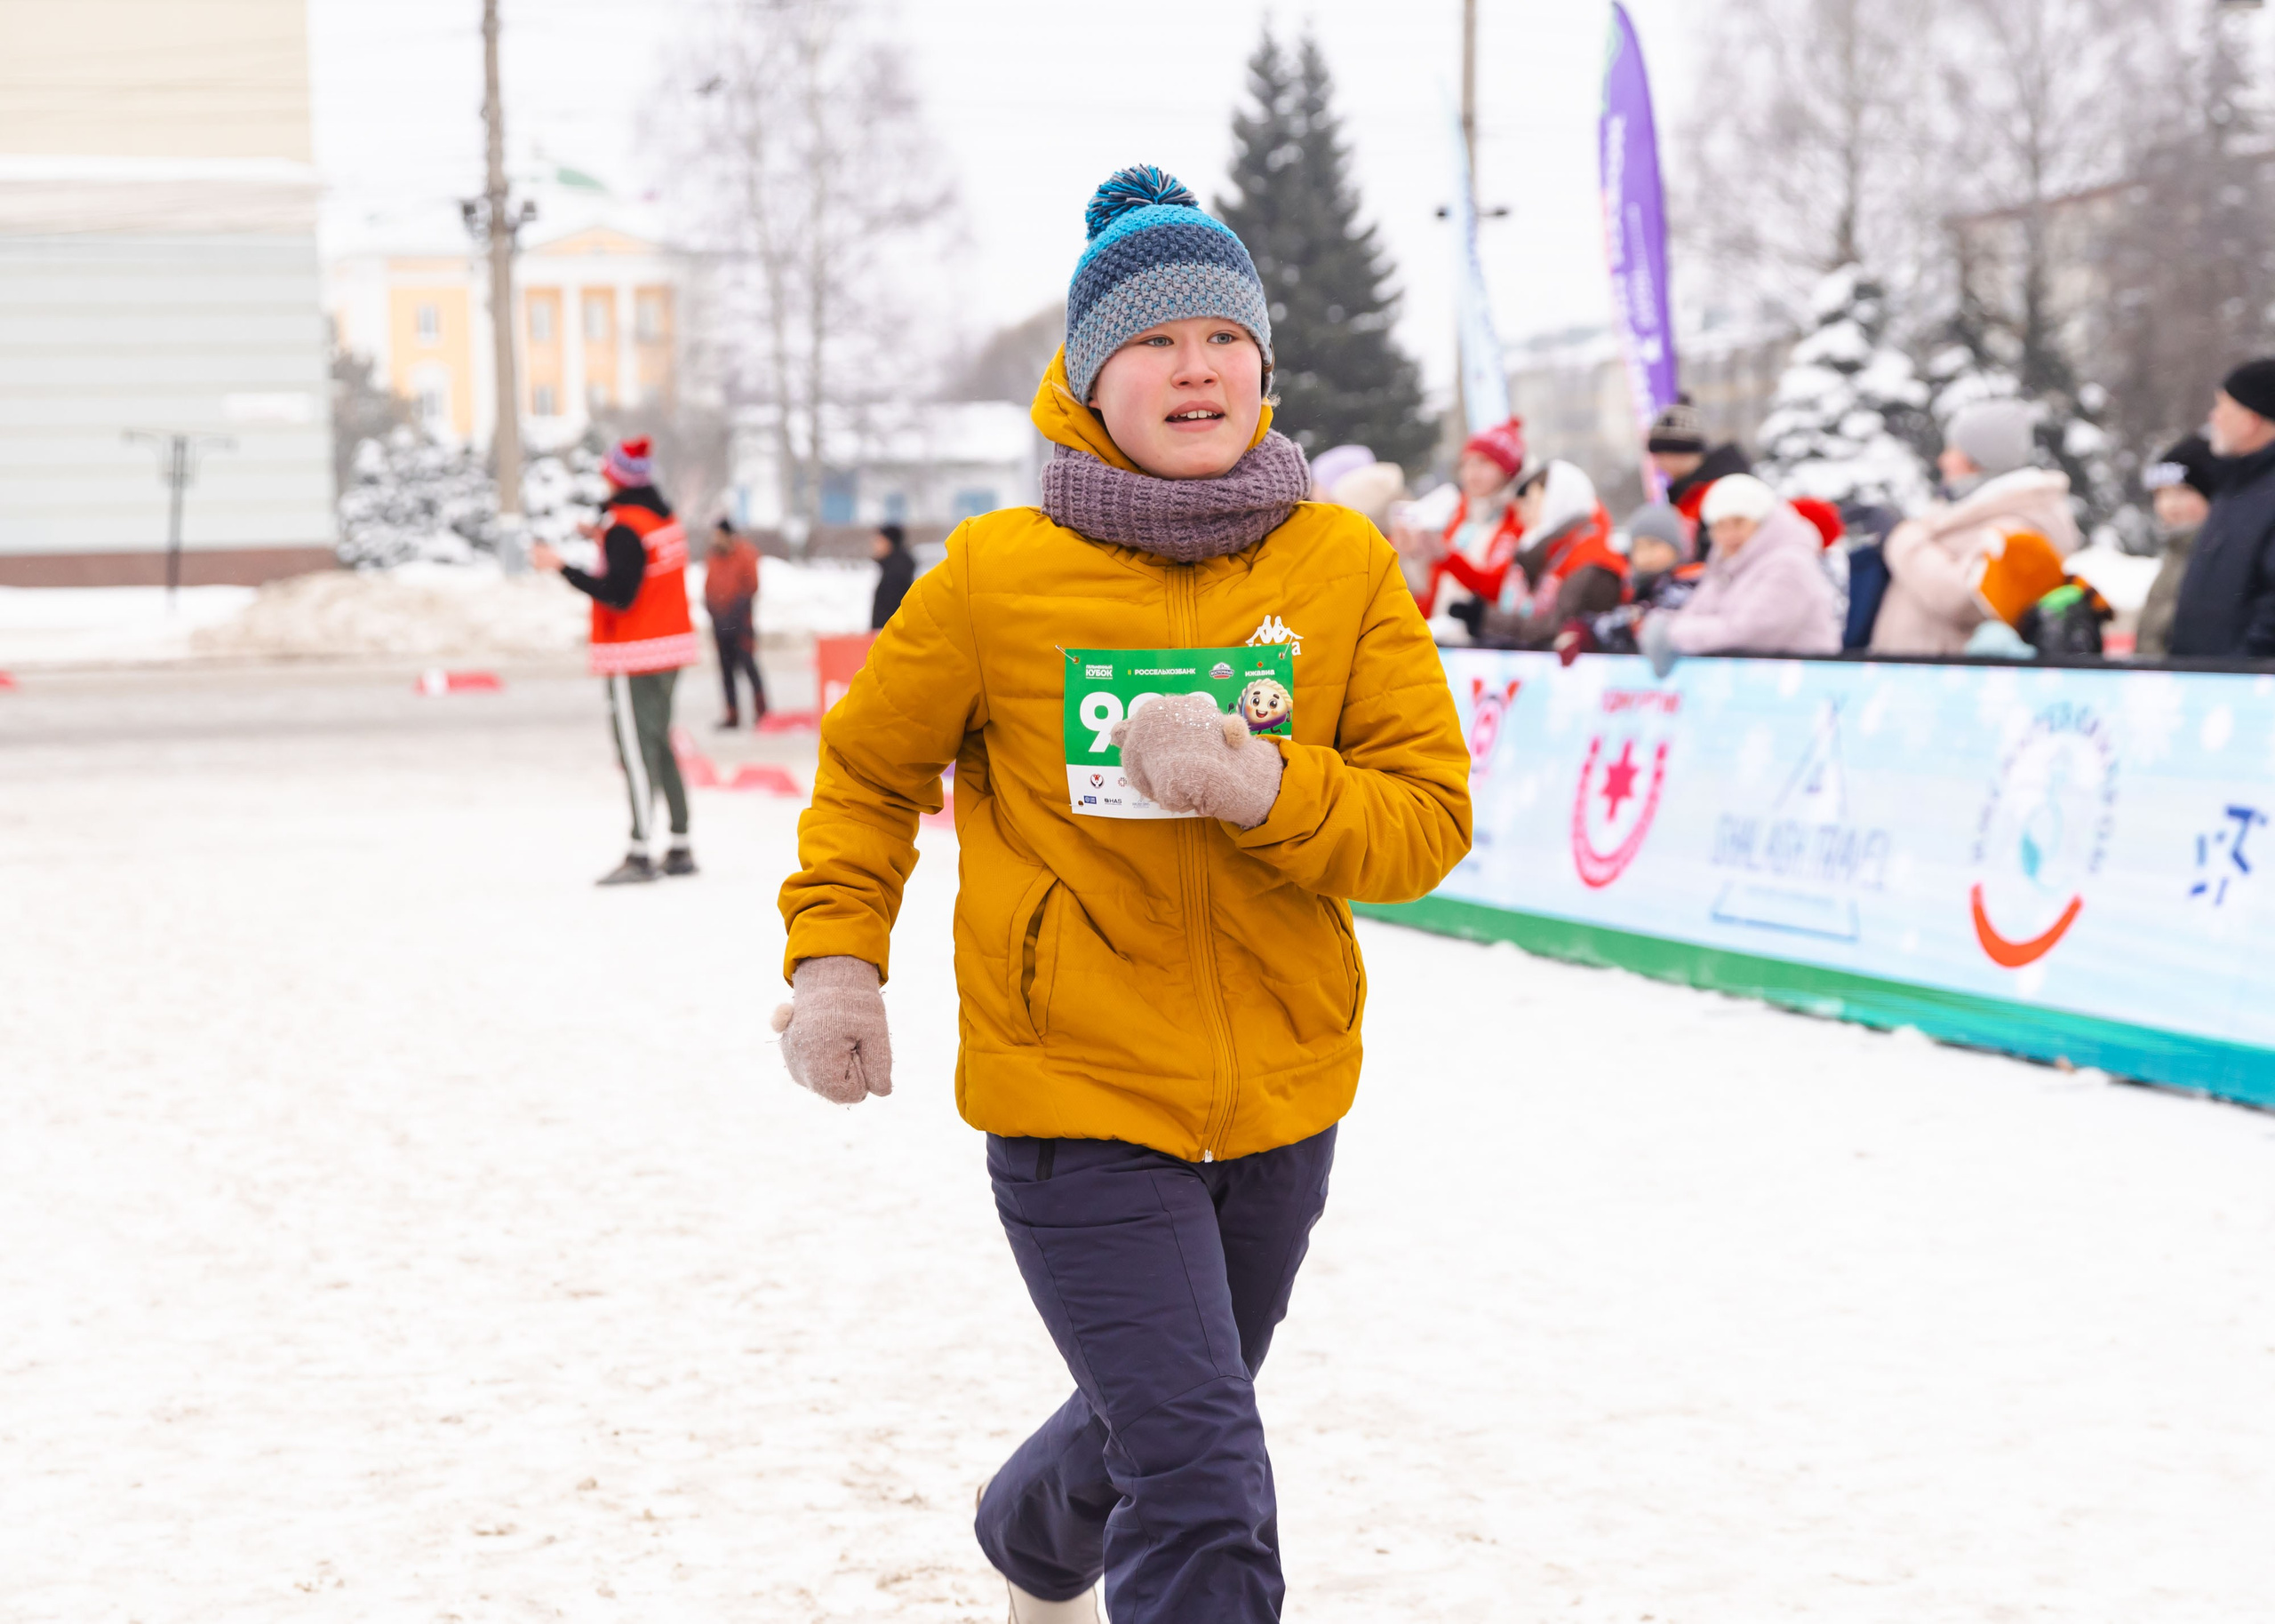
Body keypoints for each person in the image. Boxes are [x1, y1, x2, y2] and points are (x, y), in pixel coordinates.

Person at [768, 165, 1471, 1624]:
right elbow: (865, 774)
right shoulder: (992, 577)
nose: (1195, 364)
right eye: (1155, 339)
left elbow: (1426, 820)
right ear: (1092, 377)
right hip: (1073, 1089)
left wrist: (1265, 787)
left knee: (1163, 1411)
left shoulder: (1340, 564)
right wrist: (838, 957)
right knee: (1206, 1471)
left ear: (1262, 369)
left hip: (1282, 1085)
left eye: (1224, 335)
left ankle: (1031, 1544)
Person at [529, 435, 698, 885]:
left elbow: (619, 594)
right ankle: (680, 844)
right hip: (669, 649)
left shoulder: (626, 527)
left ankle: (639, 851)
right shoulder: (659, 517)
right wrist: (600, 534)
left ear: (614, 476)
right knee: (661, 744)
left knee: (636, 753)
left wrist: (561, 566)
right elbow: (643, 562)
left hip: (634, 655)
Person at [1870, 399, 2079, 656]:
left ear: (1977, 459)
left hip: (1951, 682)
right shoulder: (1979, 511)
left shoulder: (2020, 525)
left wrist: (1900, 536)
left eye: (1952, 450)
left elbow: (1962, 598)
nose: (1943, 460)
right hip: (1919, 677)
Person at [1639, 474, 1841, 672]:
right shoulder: (1726, 566)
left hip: (1801, 684)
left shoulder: (1790, 564)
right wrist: (1664, 623)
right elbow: (1695, 612)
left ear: (1763, 521)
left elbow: (1752, 633)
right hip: (1752, 683)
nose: (1729, 534)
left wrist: (1672, 634)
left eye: (1739, 522)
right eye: (1719, 526)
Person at [2170, 360, 2275, 659]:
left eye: (2222, 407)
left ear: (2250, 420)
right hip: (2208, 689)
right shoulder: (2234, 487)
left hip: (2245, 696)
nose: (2213, 417)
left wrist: (2241, 672)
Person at [1471, 459, 1627, 649]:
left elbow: (1555, 628)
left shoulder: (1590, 562)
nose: (1522, 515)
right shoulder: (1550, 555)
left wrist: (1485, 618)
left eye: (1531, 502)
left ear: (1557, 502)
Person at [1413, 417, 1528, 629]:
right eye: (1466, 463)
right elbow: (1430, 585)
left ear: (1506, 469)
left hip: (1480, 644)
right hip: (1439, 637)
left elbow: (1494, 588)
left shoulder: (1517, 521)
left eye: (1484, 463)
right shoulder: (1457, 513)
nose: (1472, 472)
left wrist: (1446, 557)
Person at [1559, 502, 1699, 660]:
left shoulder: (1686, 586)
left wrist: (1589, 631)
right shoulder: (1638, 588)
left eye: (1654, 545)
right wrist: (1581, 629)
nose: (1646, 554)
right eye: (1638, 547)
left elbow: (1641, 621)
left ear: (1676, 548)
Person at [2136, 434, 2223, 659]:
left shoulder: (2223, 555)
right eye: (2161, 494)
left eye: (2183, 491)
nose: (2169, 505)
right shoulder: (2175, 553)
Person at [1645, 394, 1751, 533]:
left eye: (1661, 456)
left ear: (1679, 453)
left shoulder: (1724, 491)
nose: (1659, 466)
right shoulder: (1690, 491)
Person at [704, 517, 766, 728]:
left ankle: (763, 711)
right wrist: (713, 610)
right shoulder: (713, 556)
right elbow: (709, 586)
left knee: (749, 666)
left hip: (740, 623)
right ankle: (732, 714)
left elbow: (751, 586)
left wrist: (735, 612)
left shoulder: (745, 554)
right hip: (720, 623)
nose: (716, 540)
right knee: (726, 670)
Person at [870, 521, 916, 631]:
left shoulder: (896, 573)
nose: (874, 545)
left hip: (889, 636)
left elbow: (890, 610)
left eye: (879, 541)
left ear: (889, 542)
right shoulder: (892, 567)